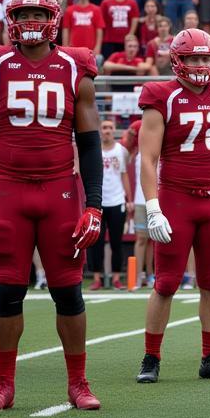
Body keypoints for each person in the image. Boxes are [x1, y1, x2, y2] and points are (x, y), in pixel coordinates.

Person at [0, 0, 105, 412]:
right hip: (11, 192)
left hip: (59, 191)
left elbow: (90, 143)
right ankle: (4, 384)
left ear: (53, 17)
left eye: (38, 12)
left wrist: (93, 204)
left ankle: (78, 382)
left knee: (68, 292)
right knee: (8, 292)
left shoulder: (75, 66)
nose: (31, 21)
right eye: (24, 13)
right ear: (9, 20)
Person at [135, 29, 210, 384]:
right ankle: (151, 357)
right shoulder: (161, 95)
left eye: (206, 59)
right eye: (194, 58)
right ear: (178, 61)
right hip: (176, 198)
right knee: (166, 282)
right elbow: (148, 159)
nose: (200, 65)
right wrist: (153, 206)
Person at [87, 120, 131, 292]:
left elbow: (124, 175)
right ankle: (97, 278)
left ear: (114, 131)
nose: (107, 131)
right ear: (100, 131)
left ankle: (116, 278)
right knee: (96, 241)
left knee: (116, 242)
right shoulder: (95, 149)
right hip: (98, 201)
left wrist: (129, 199)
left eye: (110, 128)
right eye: (104, 128)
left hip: (117, 200)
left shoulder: (121, 151)